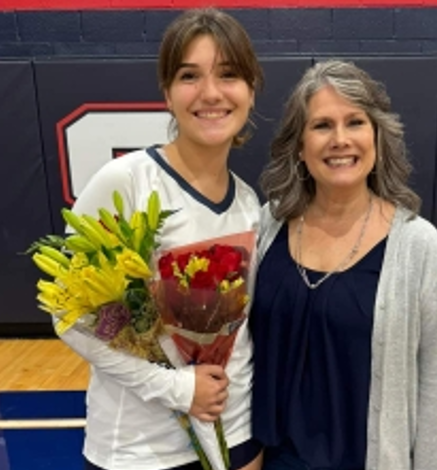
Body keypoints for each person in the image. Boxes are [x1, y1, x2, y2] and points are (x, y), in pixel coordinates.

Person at [57, 9, 264, 470]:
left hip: (234, 437)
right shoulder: (125, 183)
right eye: (190, 76)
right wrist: (178, 389)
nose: (211, 93)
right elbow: (66, 317)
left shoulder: (250, 204)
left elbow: (240, 340)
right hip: (139, 452)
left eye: (228, 75)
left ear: (251, 90)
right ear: (167, 94)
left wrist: (245, 436)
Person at [250, 60, 437, 470]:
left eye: (355, 122)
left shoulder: (421, 251)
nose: (340, 139)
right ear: (299, 145)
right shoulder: (266, 226)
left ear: (378, 137)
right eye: (321, 126)